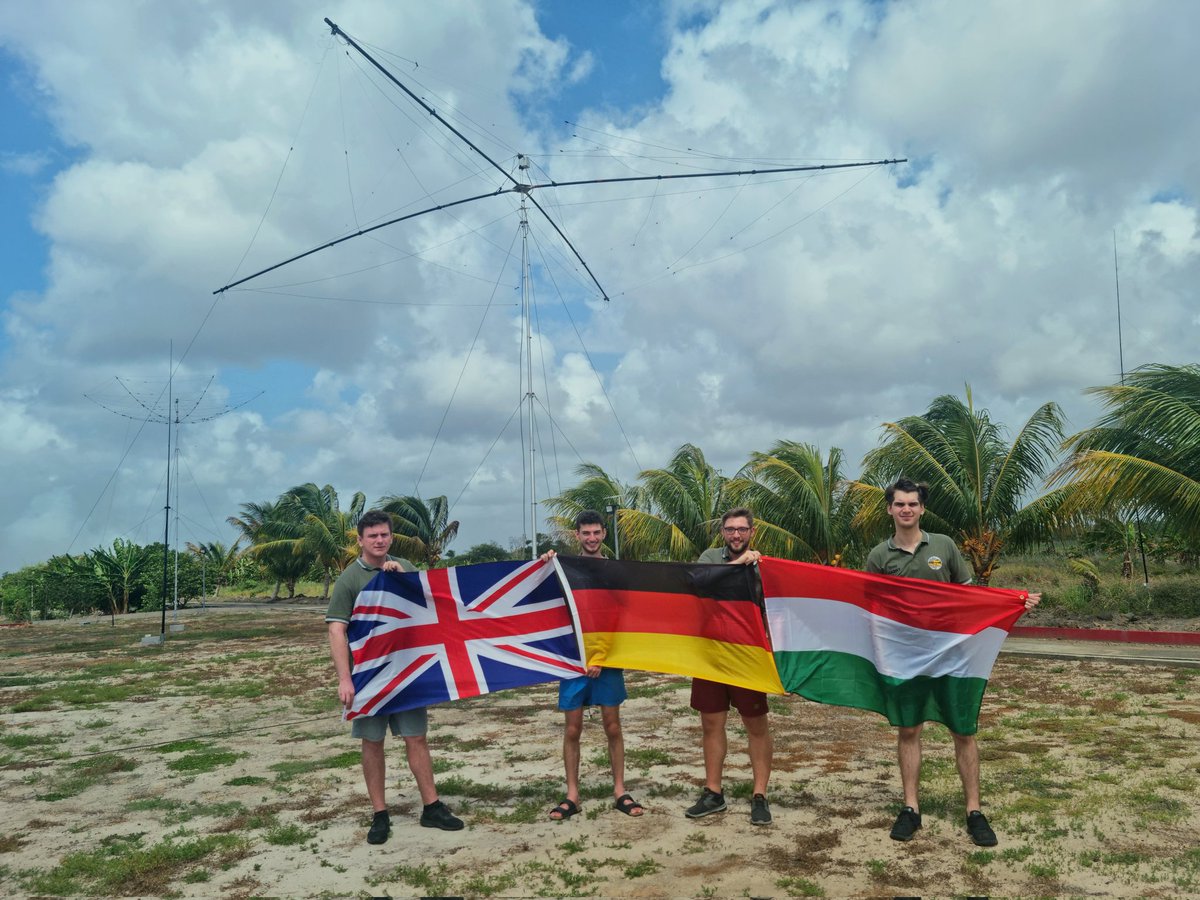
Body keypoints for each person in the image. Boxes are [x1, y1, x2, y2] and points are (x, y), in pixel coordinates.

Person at [865, 478, 1039, 847]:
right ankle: (911, 809)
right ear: (890, 509)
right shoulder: (879, 556)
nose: (906, 509)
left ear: (922, 509)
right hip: (905, 657)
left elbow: (968, 595)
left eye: (913, 504)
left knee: (963, 730)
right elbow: (868, 607)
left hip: (951, 655)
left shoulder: (943, 546)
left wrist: (1012, 601)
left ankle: (974, 811)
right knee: (909, 730)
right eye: (900, 504)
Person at [326, 509, 464, 844]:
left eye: (384, 535)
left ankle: (431, 807)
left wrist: (402, 576)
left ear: (391, 537)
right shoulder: (349, 580)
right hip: (369, 677)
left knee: (416, 737)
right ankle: (380, 814)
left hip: (406, 673)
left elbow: (429, 607)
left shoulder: (405, 567)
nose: (379, 541)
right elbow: (336, 630)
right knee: (372, 742)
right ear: (360, 540)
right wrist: (345, 679)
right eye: (372, 536)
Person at [542, 510, 643, 820]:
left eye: (596, 533)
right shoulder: (564, 568)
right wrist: (546, 563)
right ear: (577, 536)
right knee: (573, 729)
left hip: (609, 658)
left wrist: (601, 656)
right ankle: (572, 794)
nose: (591, 538)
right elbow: (552, 606)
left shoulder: (614, 571)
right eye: (586, 533)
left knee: (613, 725)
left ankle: (619, 790)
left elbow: (621, 617)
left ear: (603, 534)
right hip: (573, 659)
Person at [686, 507, 773, 826]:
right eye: (730, 529)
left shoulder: (764, 566)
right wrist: (741, 564)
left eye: (742, 529)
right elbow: (701, 584)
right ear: (722, 532)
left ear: (752, 531)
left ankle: (760, 795)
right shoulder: (710, 557)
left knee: (756, 725)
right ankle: (713, 792)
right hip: (710, 654)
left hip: (748, 655)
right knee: (711, 723)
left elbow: (773, 610)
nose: (736, 535)